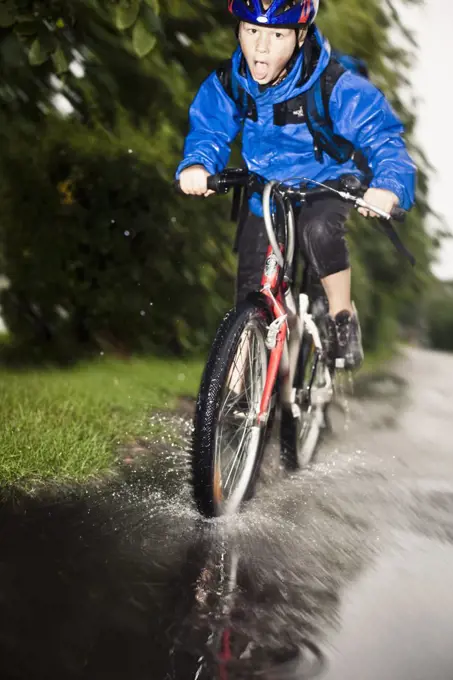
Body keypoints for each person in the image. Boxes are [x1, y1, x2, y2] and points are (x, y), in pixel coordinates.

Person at [175, 0, 416, 370]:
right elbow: (209, 128)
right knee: (250, 295)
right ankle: (235, 394)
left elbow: (384, 140)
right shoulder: (230, 81)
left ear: (300, 35)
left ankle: (340, 319)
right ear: (238, 29)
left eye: (277, 34)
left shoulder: (336, 85)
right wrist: (198, 164)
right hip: (264, 193)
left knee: (318, 230)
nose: (261, 47)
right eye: (252, 31)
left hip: (324, 185)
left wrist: (387, 185)